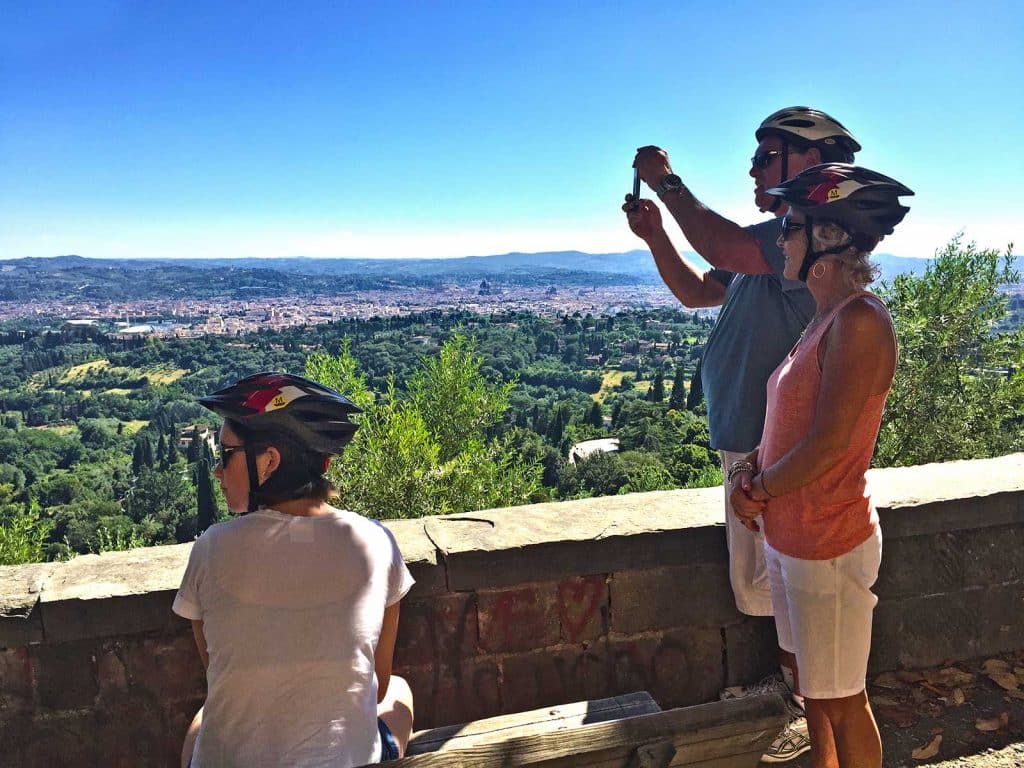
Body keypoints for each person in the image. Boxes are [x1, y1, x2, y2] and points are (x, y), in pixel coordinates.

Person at [624, 107, 860, 762]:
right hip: (755, 445)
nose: (752, 169)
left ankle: (796, 706)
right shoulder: (778, 246)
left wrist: (665, 181)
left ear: (808, 163)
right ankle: (800, 699)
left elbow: (720, 246)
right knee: (770, 585)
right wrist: (654, 237)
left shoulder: (809, 238)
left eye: (765, 157)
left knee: (781, 584)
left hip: (773, 454)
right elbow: (700, 289)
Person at [730, 164, 913, 767]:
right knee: (816, 693)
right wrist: (754, 471)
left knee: (843, 699)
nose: (779, 239)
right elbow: (788, 424)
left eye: (790, 228)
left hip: (828, 541)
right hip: (794, 536)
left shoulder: (859, 321)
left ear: (827, 241)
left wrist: (759, 487)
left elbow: (830, 444)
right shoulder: (822, 319)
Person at [173, 372, 415, 768]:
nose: (217, 471)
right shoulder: (377, 542)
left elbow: (218, 672)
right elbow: (378, 686)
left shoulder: (211, 548)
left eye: (226, 454)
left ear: (269, 461)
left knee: (203, 721)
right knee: (400, 691)